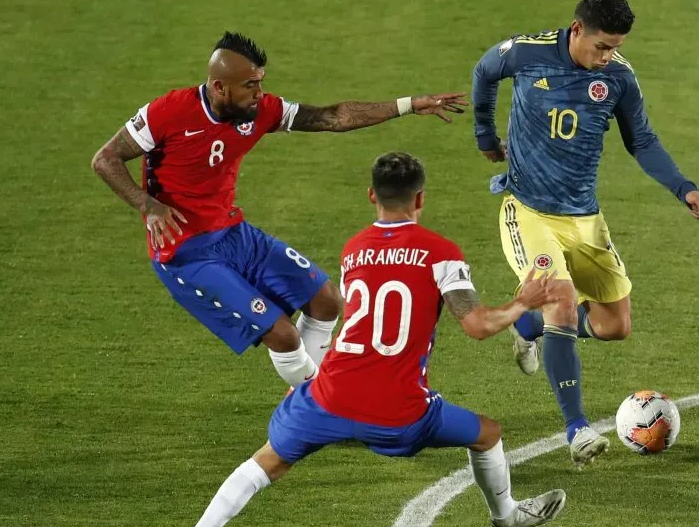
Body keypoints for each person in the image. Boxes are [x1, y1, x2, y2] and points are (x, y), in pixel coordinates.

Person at [162, 152, 566, 527]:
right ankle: (506, 517)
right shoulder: (441, 253)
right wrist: (522, 303)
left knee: (266, 462)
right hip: (400, 411)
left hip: (329, 395)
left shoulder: (355, 248)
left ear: (372, 195)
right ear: (421, 199)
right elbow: (478, 326)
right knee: (487, 434)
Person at [91, 31, 467, 386]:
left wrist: (408, 105)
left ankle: (307, 399)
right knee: (284, 335)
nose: (260, 93)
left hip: (233, 233)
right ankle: (320, 405)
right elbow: (106, 159)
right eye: (251, 85)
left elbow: (332, 117)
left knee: (326, 301)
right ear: (220, 87)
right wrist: (149, 205)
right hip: (185, 252)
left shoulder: (259, 111)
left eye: (261, 82)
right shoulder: (167, 112)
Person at [471, 0, 699, 467]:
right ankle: (577, 429)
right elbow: (485, 72)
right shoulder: (527, 52)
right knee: (561, 301)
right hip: (528, 210)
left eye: (615, 48)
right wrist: (485, 135)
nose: (607, 57)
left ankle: (527, 324)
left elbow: (641, 140)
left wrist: (683, 188)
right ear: (577, 29)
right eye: (602, 46)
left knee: (613, 326)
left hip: (584, 217)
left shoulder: (619, 78)